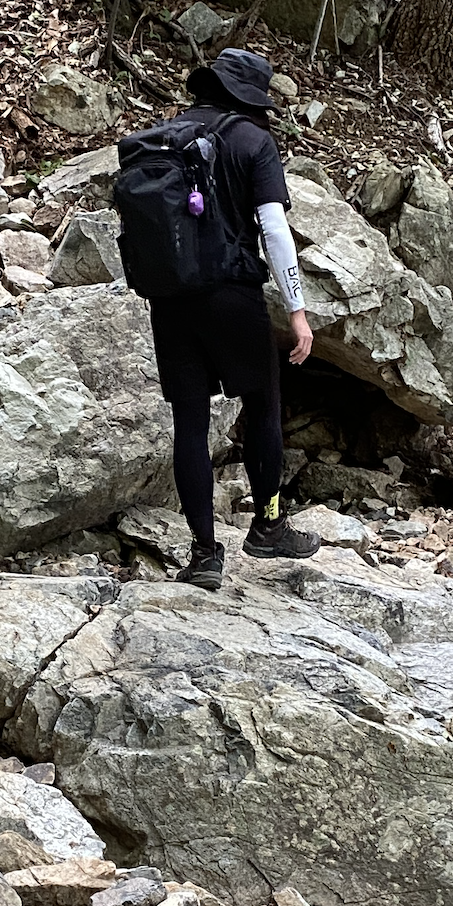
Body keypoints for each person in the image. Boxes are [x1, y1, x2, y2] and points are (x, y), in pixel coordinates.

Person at [145, 46, 321, 591]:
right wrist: (297, 310)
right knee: (263, 404)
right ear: (250, 97)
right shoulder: (253, 141)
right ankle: (268, 526)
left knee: (190, 423)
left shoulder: (164, 137)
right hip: (232, 294)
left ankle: (203, 554)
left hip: (170, 297)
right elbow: (274, 231)